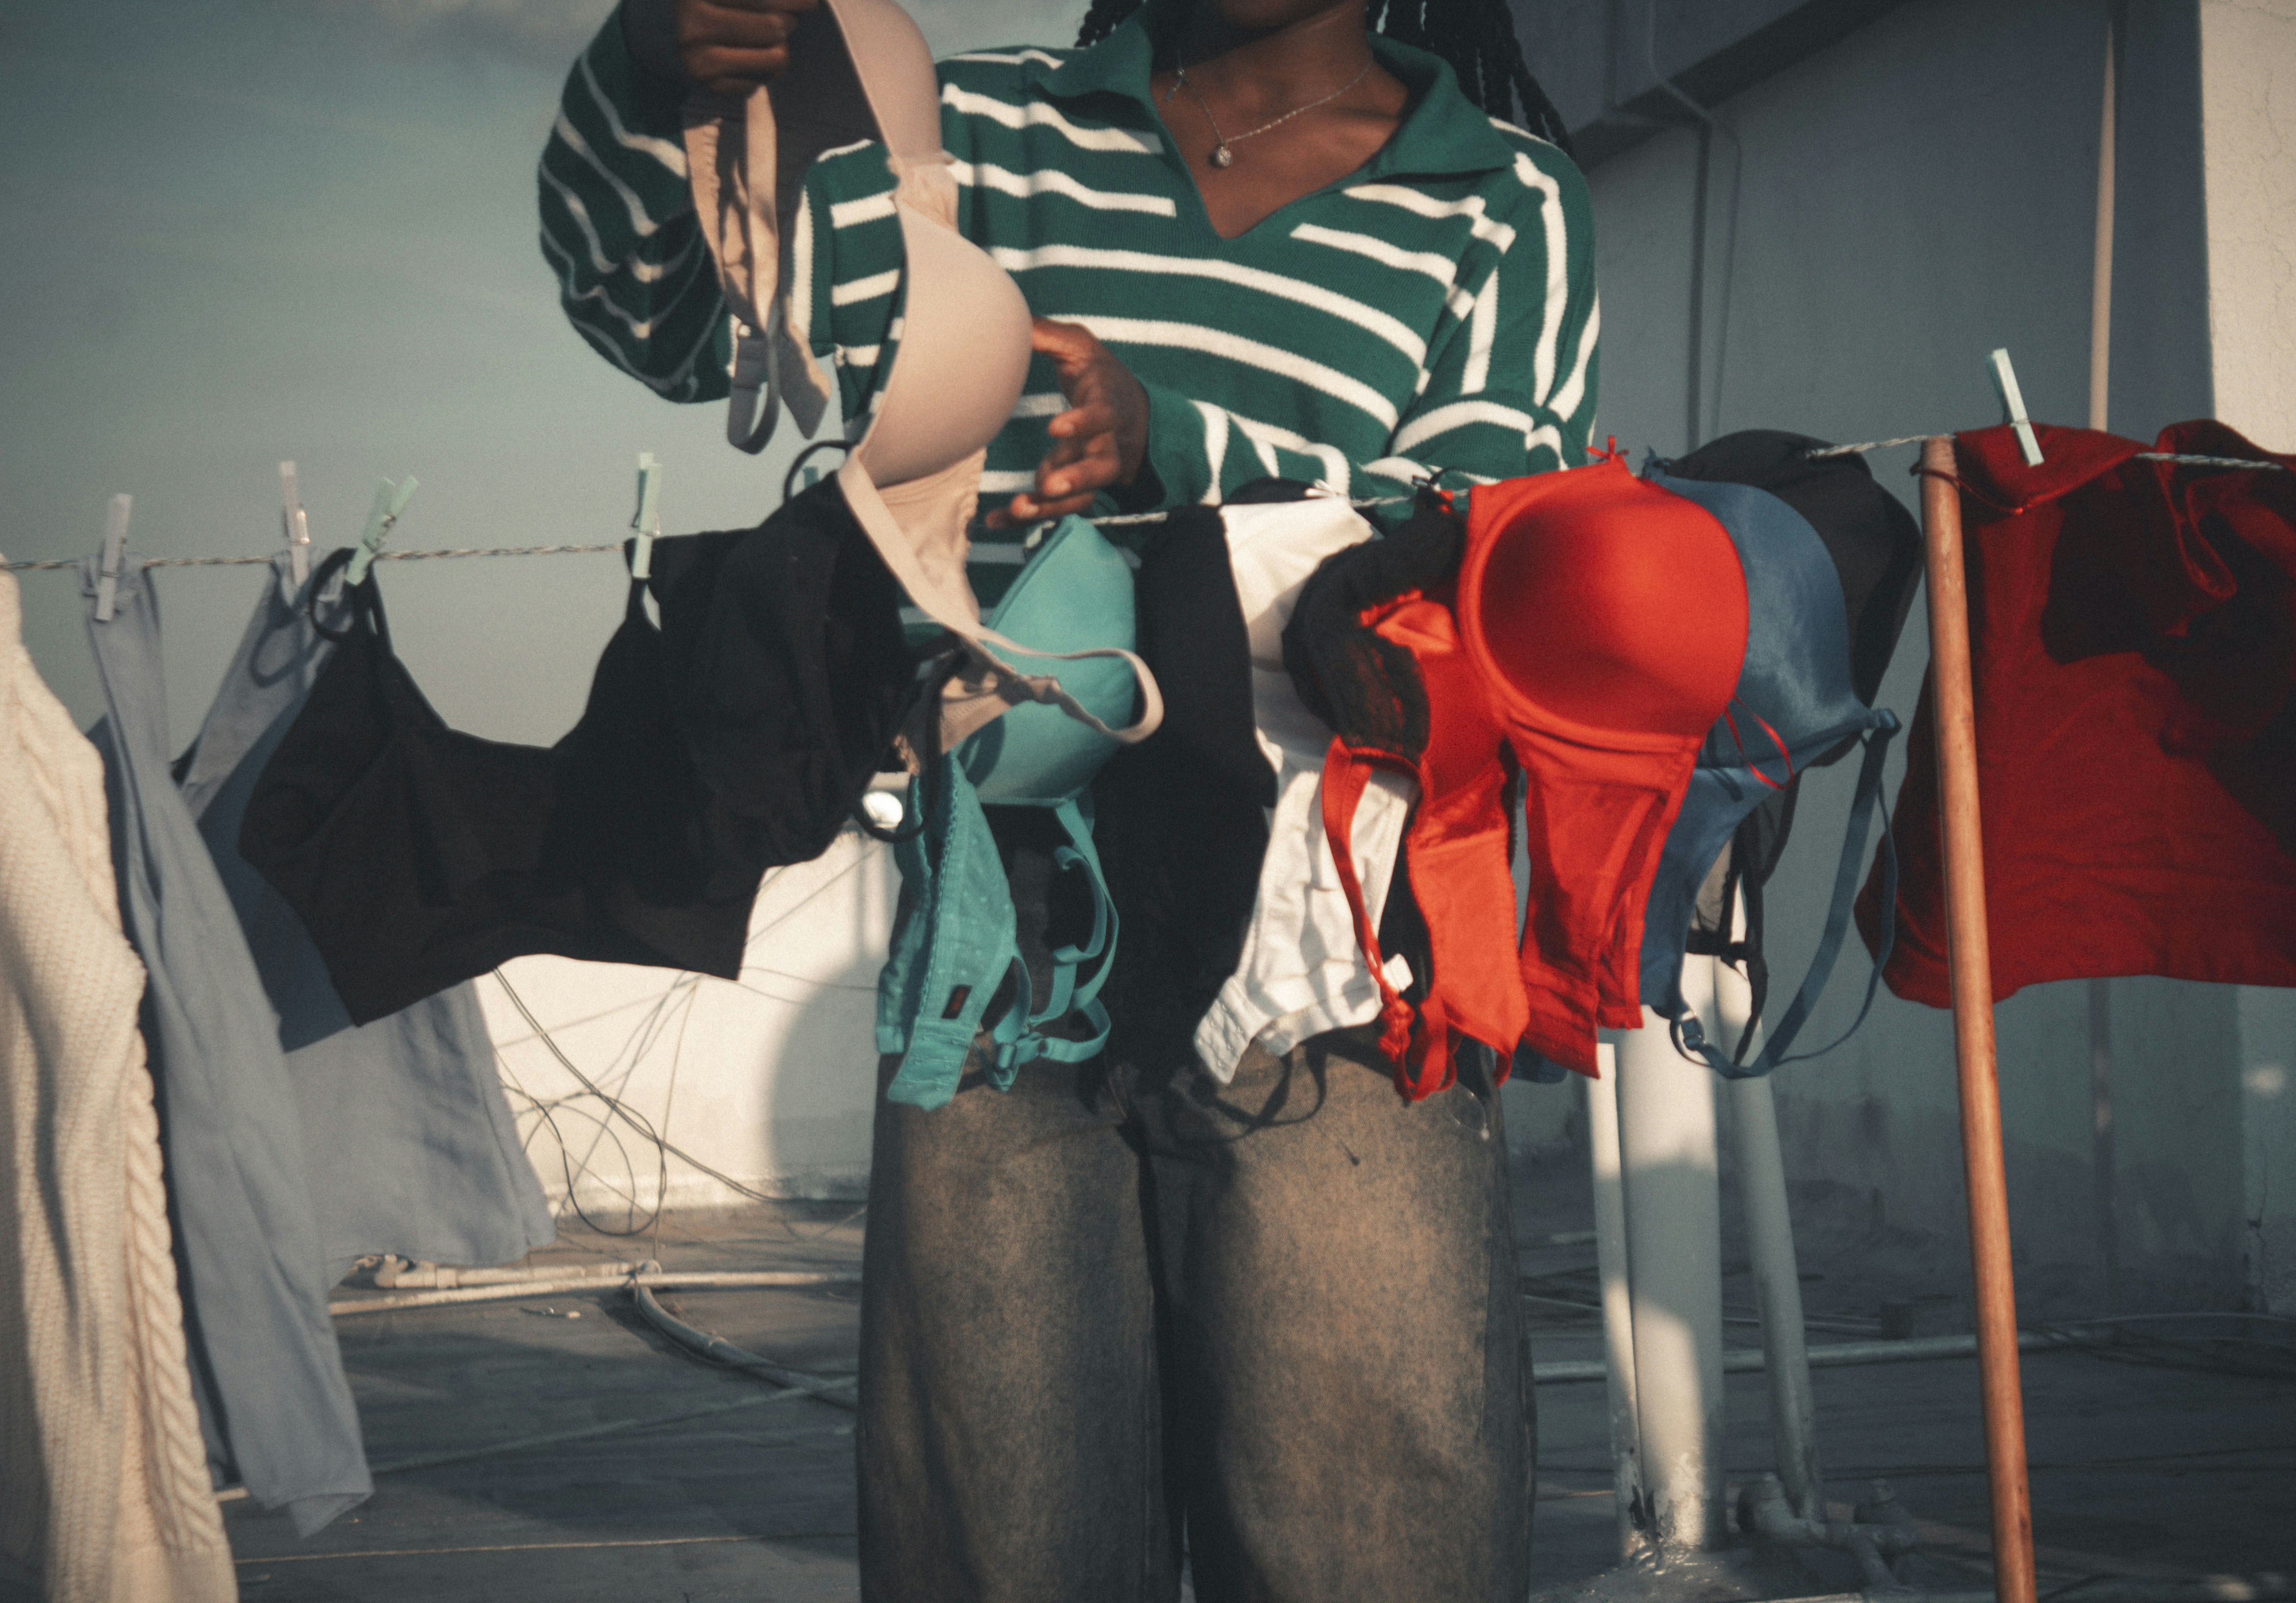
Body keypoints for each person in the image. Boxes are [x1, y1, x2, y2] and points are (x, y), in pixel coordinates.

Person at [539, 1, 1599, 1597]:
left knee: (1375, 1530)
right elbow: (681, 329)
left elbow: (1477, 527)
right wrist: (644, 75)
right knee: (1004, 1536)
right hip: (1005, 923)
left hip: (1332, 934)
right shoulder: (971, 123)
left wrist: (1175, 439)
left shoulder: (1501, 203)